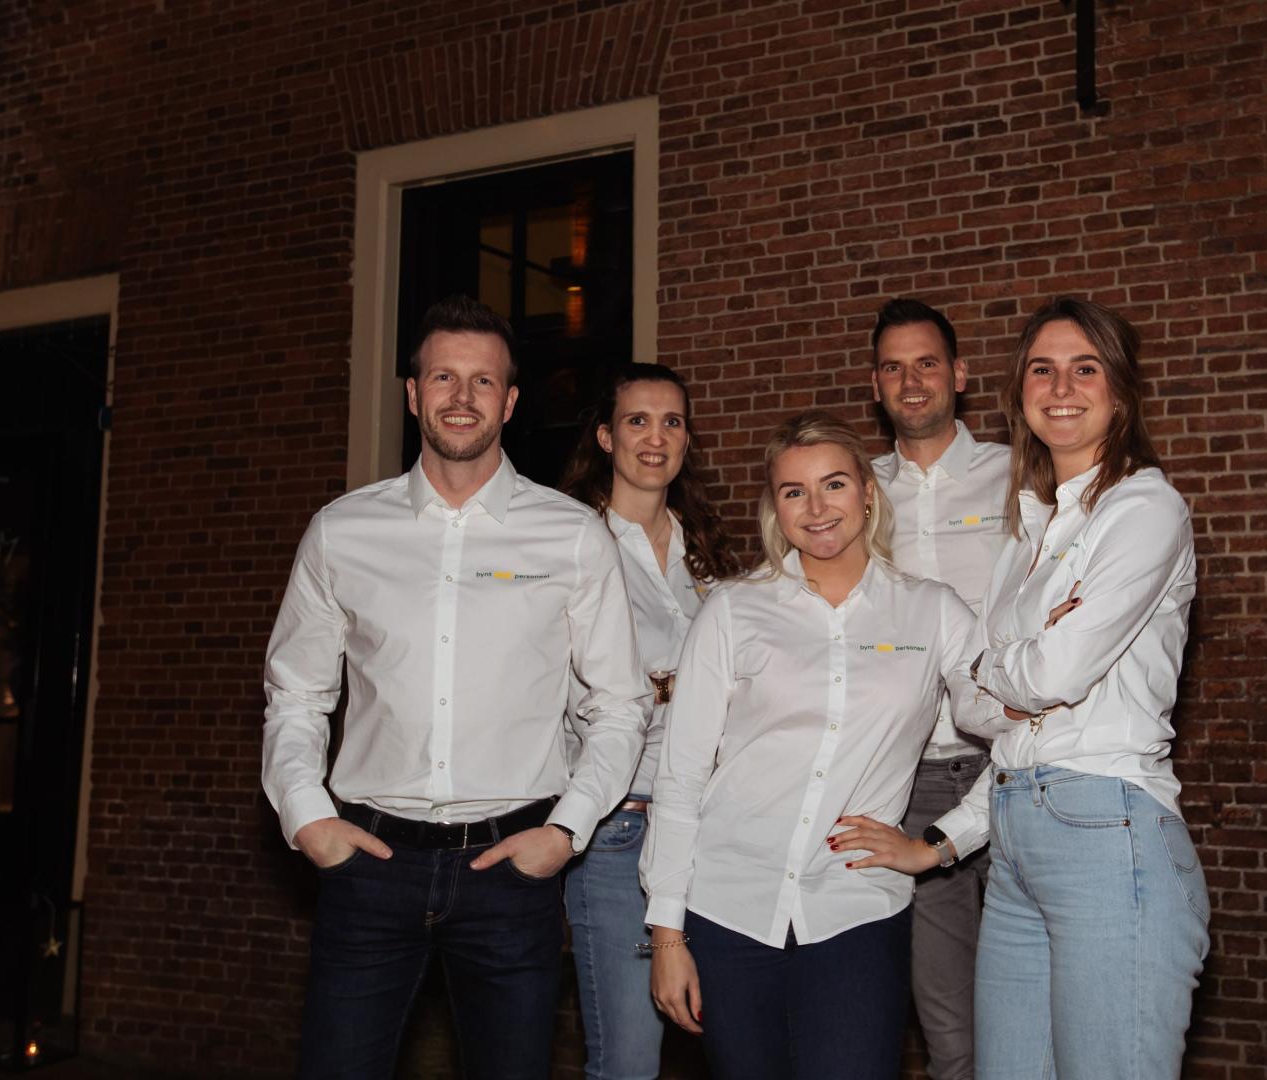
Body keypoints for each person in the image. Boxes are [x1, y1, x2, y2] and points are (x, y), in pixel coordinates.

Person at [262, 294, 651, 1080]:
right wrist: (308, 817)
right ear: (413, 393)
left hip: (511, 869)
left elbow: (618, 706)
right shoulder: (342, 530)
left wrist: (565, 832)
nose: (462, 396)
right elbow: (297, 694)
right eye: (444, 377)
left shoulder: (572, 536)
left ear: (509, 401)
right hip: (369, 866)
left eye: (483, 381)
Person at [836, 297, 1210, 1079]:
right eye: (1043, 369)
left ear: (1121, 389)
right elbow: (995, 717)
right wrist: (937, 844)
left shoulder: (1144, 507)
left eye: (1085, 368)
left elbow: (1050, 675)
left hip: (1108, 831)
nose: (1061, 387)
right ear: (1019, 389)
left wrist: (1008, 667)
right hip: (1013, 835)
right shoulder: (1028, 533)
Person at [639, 411, 994, 1080]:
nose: (817, 507)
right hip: (726, 909)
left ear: (868, 492)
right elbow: (681, 777)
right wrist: (666, 934)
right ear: (776, 508)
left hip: (857, 911)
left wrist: (941, 844)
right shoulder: (733, 610)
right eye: (793, 491)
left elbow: (1024, 736)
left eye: (834, 484)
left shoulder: (933, 611)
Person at [556, 363, 743, 1080]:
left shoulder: (708, 550)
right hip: (619, 826)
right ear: (606, 437)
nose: (655, 437)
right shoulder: (573, 542)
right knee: (630, 1061)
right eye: (637, 420)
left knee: (731, 1043)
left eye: (672, 422)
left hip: (711, 825)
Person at [869, 298, 1010, 1080]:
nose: (911, 381)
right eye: (893, 367)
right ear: (876, 385)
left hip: (1012, 768)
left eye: (927, 363)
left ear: (959, 373)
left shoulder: (1018, 476)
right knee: (949, 1025)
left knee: (1035, 1004)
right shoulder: (855, 492)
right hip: (909, 783)